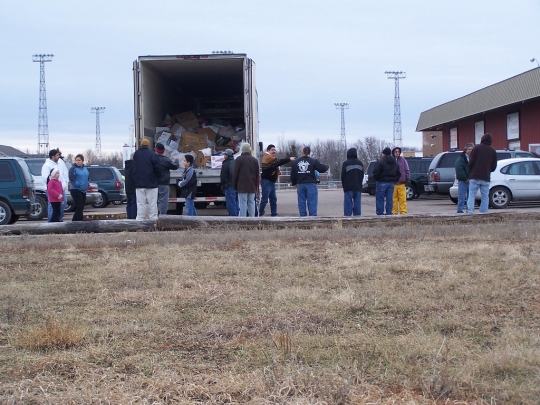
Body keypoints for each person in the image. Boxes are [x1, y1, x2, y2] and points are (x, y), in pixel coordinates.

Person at [290, 146, 329, 217]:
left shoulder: (295, 162)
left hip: (300, 184)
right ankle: (312, 217)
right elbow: (322, 169)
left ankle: (303, 217)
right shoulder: (313, 161)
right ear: (309, 153)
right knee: (312, 201)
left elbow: (292, 174)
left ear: (302, 152)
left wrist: (294, 183)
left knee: (301, 202)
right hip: (311, 184)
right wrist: (327, 166)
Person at [132, 139, 164, 221]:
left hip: (139, 184)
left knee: (140, 203)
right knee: (152, 204)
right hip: (151, 184)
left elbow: (134, 168)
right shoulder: (152, 154)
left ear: (140, 145)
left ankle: (140, 220)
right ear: (148, 145)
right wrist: (158, 177)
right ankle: (153, 220)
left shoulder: (136, 154)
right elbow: (158, 168)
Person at [259, 144, 294, 217]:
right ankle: (260, 213)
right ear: (268, 150)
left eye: (274, 150)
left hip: (271, 182)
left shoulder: (271, 158)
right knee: (265, 199)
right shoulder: (267, 157)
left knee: (273, 199)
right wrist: (289, 159)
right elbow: (278, 162)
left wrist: (277, 172)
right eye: (272, 150)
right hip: (266, 181)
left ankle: (274, 214)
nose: (274, 151)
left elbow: (273, 166)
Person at [467, 133, 497, 214]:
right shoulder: (493, 151)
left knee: (472, 194)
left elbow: (471, 162)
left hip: (475, 176)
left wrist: (471, 171)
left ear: (482, 139)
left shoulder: (476, 148)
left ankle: (470, 211)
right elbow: (494, 166)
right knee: (485, 196)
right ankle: (484, 212)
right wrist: (488, 170)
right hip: (486, 176)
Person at [233, 143, 260, 217]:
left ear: (242, 150)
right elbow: (257, 174)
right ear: (249, 150)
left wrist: (235, 185)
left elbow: (235, 174)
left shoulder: (238, 159)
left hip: (241, 186)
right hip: (252, 185)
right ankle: (252, 219)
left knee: (242, 203)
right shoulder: (254, 160)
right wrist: (257, 185)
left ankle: (243, 219)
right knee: (251, 202)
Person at [41, 149, 68, 222]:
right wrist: (53, 183)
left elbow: (64, 174)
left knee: (63, 202)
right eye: (57, 155)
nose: (58, 156)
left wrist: (64, 183)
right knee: (52, 205)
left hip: (61, 188)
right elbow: (45, 177)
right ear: (53, 156)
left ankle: (59, 218)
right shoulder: (47, 165)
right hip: (52, 189)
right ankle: (51, 221)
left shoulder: (60, 163)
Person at [372, 147, 400, 216]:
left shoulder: (380, 161)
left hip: (381, 182)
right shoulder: (394, 162)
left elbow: (376, 172)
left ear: (383, 153)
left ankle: (380, 214)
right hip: (391, 183)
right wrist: (394, 179)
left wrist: (377, 179)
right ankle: (389, 213)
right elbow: (398, 173)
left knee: (380, 199)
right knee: (389, 199)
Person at [155, 143, 179, 215]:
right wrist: (176, 160)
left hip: (153, 183)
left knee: (154, 201)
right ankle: (162, 216)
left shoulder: (152, 159)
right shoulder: (166, 160)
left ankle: (155, 216)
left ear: (155, 150)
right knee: (163, 201)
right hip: (163, 183)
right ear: (163, 151)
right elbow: (175, 167)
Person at [340, 147, 364, 216]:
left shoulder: (346, 163)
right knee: (357, 203)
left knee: (348, 204)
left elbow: (343, 176)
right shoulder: (360, 163)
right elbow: (362, 175)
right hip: (358, 187)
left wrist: (344, 187)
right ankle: (357, 218)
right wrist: (360, 185)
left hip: (348, 187)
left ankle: (347, 218)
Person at [68, 154, 89, 221]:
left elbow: (87, 177)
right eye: (76, 160)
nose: (78, 162)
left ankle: (74, 221)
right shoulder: (73, 169)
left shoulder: (85, 169)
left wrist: (87, 184)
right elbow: (72, 179)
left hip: (83, 190)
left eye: (79, 160)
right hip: (75, 189)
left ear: (82, 161)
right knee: (79, 206)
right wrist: (78, 184)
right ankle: (80, 222)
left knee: (81, 206)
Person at [455, 143, 474, 213]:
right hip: (462, 181)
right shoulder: (460, 159)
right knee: (461, 197)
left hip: (472, 180)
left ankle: (469, 209)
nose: (470, 151)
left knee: (470, 197)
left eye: (472, 149)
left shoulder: (474, 158)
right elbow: (459, 170)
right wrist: (465, 178)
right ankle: (460, 210)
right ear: (465, 150)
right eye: (469, 149)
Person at [391, 146, 410, 215]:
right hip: (393, 184)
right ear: (393, 152)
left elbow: (407, 169)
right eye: (396, 152)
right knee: (394, 200)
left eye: (398, 152)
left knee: (403, 199)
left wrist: (407, 178)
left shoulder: (403, 160)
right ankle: (394, 213)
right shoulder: (391, 160)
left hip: (402, 183)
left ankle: (403, 212)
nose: (397, 153)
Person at [220, 149, 238, 216]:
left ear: (227, 155)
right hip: (235, 186)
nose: (224, 156)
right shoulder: (235, 162)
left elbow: (223, 176)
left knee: (230, 203)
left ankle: (233, 218)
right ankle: (237, 216)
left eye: (225, 154)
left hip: (229, 186)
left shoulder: (226, 164)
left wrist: (222, 185)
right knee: (235, 202)